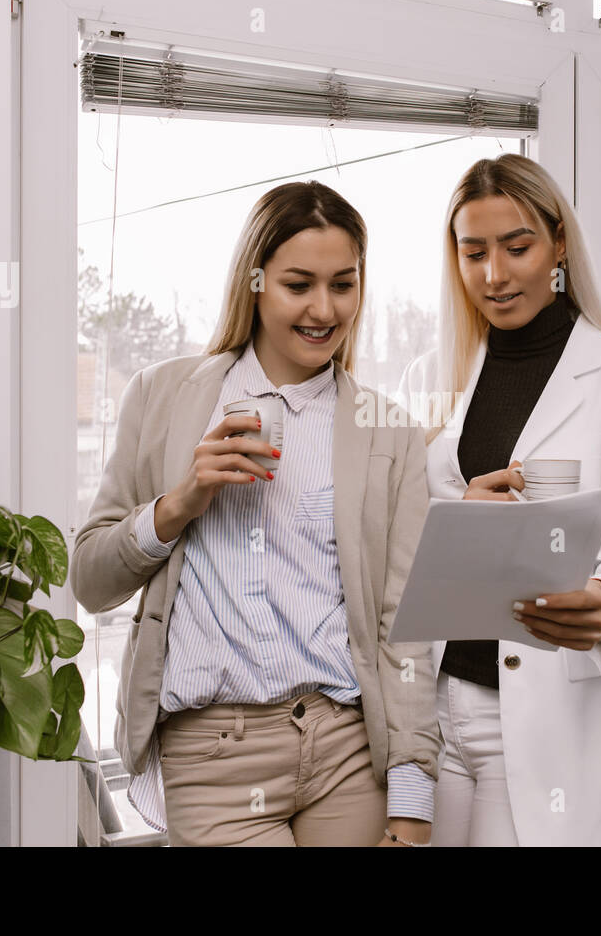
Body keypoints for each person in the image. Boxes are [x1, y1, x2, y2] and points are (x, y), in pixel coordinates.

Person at [71, 181, 440, 846]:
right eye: (299, 284)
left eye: (344, 284)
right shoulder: (163, 397)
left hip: (345, 751)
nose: (324, 309)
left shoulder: (389, 433)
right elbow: (91, 580)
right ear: (256, 280)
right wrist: (179, 504)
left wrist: (412, 806)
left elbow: (403, 629)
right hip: (213, 758)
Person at [397, 153, 601, 846]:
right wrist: (458, 512)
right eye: (474, 253)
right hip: (431, 712)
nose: (495, 275)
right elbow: (401, 537)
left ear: (558, 243)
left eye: (517, 247)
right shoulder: (432, 376)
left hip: (541, 716)